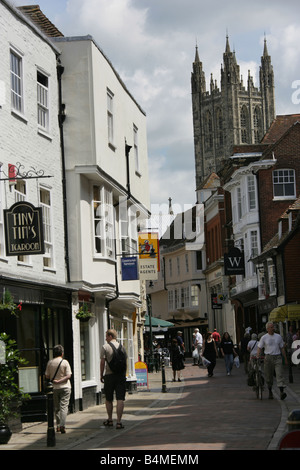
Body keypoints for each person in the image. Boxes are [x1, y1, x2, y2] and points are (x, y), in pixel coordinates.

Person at [100, 329, 127, 429]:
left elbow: (102, 362)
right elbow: (125, 362)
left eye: (106, 336)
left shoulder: (105, 347)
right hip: (120, 376)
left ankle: (110, 419)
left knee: (109, 399)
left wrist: (101, 375)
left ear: (110, 336)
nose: (106, 338)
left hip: (109, 375)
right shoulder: (122, 347)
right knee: (120, 399)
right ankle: (119, 422)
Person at [45, 344, 72, 434]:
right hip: (65, 387)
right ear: (62, 353)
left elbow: (47, 376)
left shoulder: (50, 362)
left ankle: (57, 426)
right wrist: (60, 380)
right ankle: (62, 425)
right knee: (64, 407)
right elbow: (68, 375)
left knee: (56, 407)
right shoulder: (65, 362)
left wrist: (55, 380)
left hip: (54, 388)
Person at [257, 322, 287, 400]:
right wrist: (258, 355)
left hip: (277, 357)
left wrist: (285, 358)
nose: (273, 328)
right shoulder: (264, 337)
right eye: (271, 327)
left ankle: (281, 392)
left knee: (279, 374)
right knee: (268, 376)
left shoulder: (278, 337)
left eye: (273, 327)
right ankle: (270, 391)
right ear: (267, 329)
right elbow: (259, 347)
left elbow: (282, 348)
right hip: (268, 358)